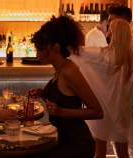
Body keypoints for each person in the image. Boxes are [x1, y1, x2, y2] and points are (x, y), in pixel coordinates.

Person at [30, 16, 103, 158]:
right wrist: (43, 94)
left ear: (55, 47)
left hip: (76, 145)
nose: (37, 54)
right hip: (61, 139)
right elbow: (64, 97)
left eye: (40, 49)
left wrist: (61, 111)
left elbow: (97, 112)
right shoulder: (60, 68)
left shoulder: (69, 71)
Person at [73, 19, 133, 158]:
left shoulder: (100, 55)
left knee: (99, 151)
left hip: (101, 110)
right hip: (122, 112)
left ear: (111, 34)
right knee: (122, 152)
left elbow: (77, 54)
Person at [107, 5, 133, 158]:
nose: (109, 24)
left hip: (131, 103)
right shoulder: (111, 43)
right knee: (118, 142)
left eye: (112, 20)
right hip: (117, 103)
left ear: (124, 22)